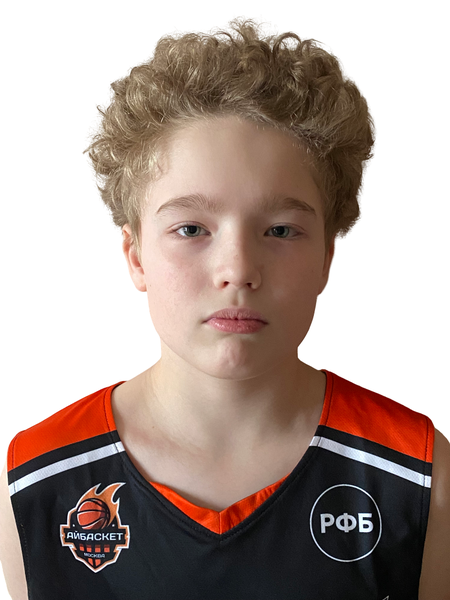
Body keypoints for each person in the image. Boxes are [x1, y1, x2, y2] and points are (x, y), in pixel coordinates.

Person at [0, 17, 449, 600]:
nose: (237, 269)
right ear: (135, 255)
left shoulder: (416, 475)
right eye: (191, 228)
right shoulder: (37, 481)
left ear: (326, 258)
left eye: (280, 230)